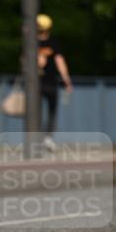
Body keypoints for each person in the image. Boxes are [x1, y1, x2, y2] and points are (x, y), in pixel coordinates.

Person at [36, 14, 74, 152]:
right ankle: (40, 138)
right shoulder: (34, 43)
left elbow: (59, 61)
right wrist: (66, 79)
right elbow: (60, 61)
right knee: (39, 112)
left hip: (49, 82)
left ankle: (46, 138)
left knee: (50, 111)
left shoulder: (50, 42)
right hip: (37, 83)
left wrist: (66, 79)